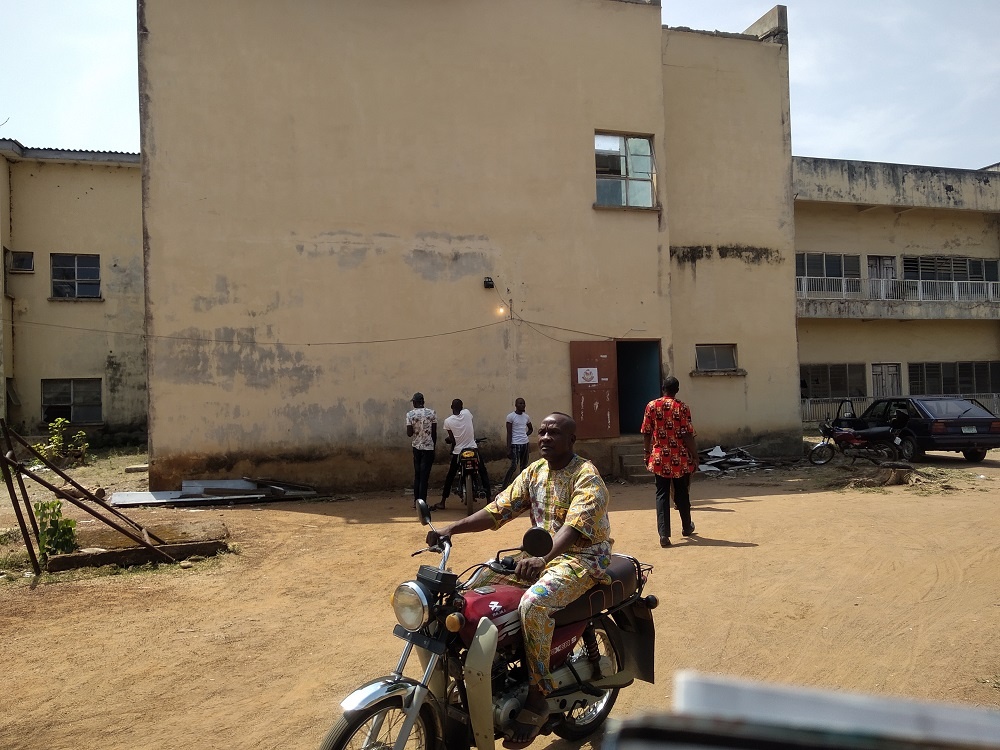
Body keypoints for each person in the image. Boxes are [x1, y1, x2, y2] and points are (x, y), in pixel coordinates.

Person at [426, 412, 612, 749]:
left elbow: (572, 528)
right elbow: (498, 509)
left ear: (571, 440)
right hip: (543, 555)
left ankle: (539, 695)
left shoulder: (587, 476)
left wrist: (544, 558)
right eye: (541, 432)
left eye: (553, 433)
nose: (544, 438)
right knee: (473, 587)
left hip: (582, 557)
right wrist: (450, 528)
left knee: (533, 605)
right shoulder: (536, 472)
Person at [641, 376, 698, 547]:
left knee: (662, 494)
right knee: (682, 493)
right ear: (677, 390)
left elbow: (646, 432)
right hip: (679, 457)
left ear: (663, 388)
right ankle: (687, 527)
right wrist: (695, 455)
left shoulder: (651, 406)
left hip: (659, 457)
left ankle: (664, 535)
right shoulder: (682, 407)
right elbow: (688, 435)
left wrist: (646, 452)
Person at [435, 398, 490, 510]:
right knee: (483, 472)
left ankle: (443, 501)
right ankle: (489, 498)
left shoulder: (448, 421)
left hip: (459, 451)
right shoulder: (467, 413)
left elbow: (453, 440)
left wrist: (449, 440)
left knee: (450, 475)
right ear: (462, 407)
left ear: (451, 407)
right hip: (473, 448)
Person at [405, 392, 437, 507]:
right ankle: (422, 502)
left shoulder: (410, 414)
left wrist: (415, 427)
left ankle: (416, 501)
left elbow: (409, 434)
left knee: (417, 475)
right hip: (428, 448)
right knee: (425, 477)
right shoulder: (432, 413)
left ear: (415, 402)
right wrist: (434, 447)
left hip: (416, 447)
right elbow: (434, 433)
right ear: (422, 401)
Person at [500, 397, 533, 490]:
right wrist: (508, 448)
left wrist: (525, 435)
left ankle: (522, 487)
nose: (522, 405)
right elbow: (509, 433)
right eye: (520, 403)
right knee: (513, 466)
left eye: (523, 403)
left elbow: (531, 429)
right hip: (515, 444)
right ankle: (504, 486)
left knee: (524, 466)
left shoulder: (526, 417)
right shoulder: (511, 417)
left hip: (525, 444)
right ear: (516, 405)